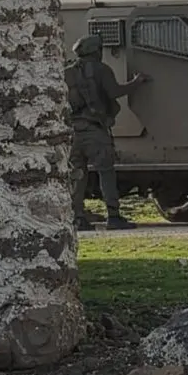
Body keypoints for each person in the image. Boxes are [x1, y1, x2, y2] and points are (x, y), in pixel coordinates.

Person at [64, 35, 149, 231]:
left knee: (77, 174)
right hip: (95, 130)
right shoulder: (101, 69)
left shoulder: (68, 72)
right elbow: (114, 92)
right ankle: (113, 216)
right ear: (96, 51)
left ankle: (77, 217)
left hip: (73, 132)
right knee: (106, 173)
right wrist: (136, 82)